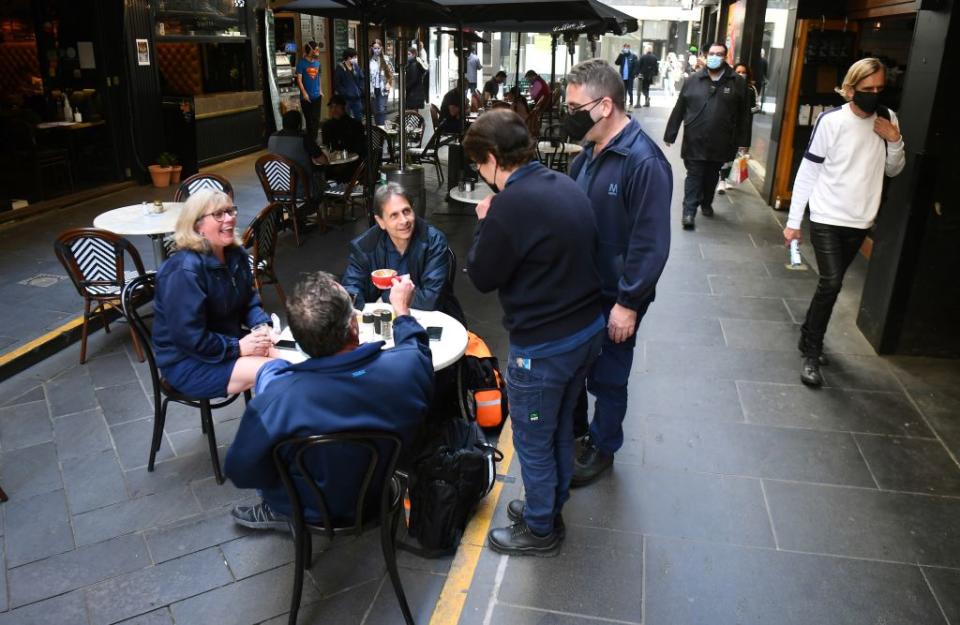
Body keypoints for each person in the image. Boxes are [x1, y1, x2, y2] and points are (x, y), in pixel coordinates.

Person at [464, 109, 604, 556]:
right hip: (584, 333)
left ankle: (541, 528)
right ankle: (548, 502)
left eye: (478, 165)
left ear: (491, 158)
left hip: (543, 349)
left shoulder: (509, 205)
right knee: (559, 424)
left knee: (533, 438)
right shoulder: (564, 183)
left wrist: (486, 218)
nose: (480, 175)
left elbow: (482, 275)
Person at [225, 272, 433, 530]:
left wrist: (283, 475)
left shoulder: (277, 401)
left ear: (299, 341)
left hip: (306, 506)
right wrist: (402, 310)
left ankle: (279, 511)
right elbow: (417, 346)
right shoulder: (405, 367)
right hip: (379, 493)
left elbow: (241, 471)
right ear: (353, 326)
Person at [563, 59, 672, 487]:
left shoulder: (644, 163)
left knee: (608, 377)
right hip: (583, 290)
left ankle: (602, 447)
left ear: (605, 105)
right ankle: (575, 432)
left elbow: (650, 244)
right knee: (575, 368)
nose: (567, 115)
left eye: (575, 108)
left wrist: (628, 303)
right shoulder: (589, 155)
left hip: (616, 295)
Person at [784, 57, 905, 387]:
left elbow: (894, 169)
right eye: (868, 89)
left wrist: (895, 140)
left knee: (829, 284)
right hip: (826, 215)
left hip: (861, 218)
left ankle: (808, 331)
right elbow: (808, 171)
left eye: (881, 88)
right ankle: (812, 351)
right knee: (833, 282)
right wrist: (794, 222)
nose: (875, 94)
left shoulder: (887, 118)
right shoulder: (831, 121)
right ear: (851, 89)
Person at [151, 189, 277, 398]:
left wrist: (262, 327)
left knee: (294, 356)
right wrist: (237, 348)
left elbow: (248, 301)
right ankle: (269, 427)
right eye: (219, 214)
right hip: (188, 362)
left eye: (230, 211)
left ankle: (289, 424)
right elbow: (190, 338)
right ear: (197, 225)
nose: (229, 218)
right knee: (278, 370)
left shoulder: (234, 254)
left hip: (226, 345)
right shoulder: (183, 271)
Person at [342, 183, 464, 321]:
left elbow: (432, 299)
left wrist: (387, 297)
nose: (404, 220)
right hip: (382, 323)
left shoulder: (433, 241)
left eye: (406, 211)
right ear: (380, 221)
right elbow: (351, 290)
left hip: (432, 321)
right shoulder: (365, 247)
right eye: (394, 215)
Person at [663, 42, 752, 230]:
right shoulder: (693, 80)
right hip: (694, 139)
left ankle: (706, 202)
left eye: (719, 54)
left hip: (721, 141)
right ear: (705, 55)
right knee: (694, 175)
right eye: (711, 53)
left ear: (725, 57)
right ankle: (689, 211)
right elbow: (680, 108)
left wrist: (744, 142)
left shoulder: (737, 82)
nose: (714, 57)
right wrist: (671, 133)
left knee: (711, 176)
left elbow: (744, 115)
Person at [718, 63, 760, 193]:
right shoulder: (728, 85)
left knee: (737, 155)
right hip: (727, 126)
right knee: (725, 153)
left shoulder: (751, 89)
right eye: (738, 71)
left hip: (743, 126)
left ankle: (729, 179)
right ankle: (722, 180)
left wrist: (748, 111)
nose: (741, 74)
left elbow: (756, 106)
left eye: (743, 72)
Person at [267, 109, 326, 196]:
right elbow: (323, 161)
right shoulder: (303, 138)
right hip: (302, 190)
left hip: (276, 189)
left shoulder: (272, 137)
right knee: (324, 180)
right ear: (299, 124)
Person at [321, 95, 365, 182]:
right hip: (334, 162)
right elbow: (327, 146)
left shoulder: (355, 124)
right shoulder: (327, 126)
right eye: (331, 107)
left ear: (343, 108)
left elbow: (360, 149)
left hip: (353, 162)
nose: (334, 110)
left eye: (337, 107)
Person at [295, 41, 324, 149]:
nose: (317, 51)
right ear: (310, 50)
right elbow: (299, 80)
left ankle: (314, 142)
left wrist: (320, 90)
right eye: (316, 49)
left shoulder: (317, 63)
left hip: (317, 96)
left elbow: (319, 77)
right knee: (309, 121)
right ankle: (310, 143)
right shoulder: (301, 63)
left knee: (316, 120)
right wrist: (304, 93)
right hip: (306, 97)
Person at [334, 48, 364, 120]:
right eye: (354, 57)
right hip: (346, 99)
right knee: (345, 118)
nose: (356, 59)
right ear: (349, 57)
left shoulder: (356, 67)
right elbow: (337, 83)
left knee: (359, 117)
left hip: (357, 97)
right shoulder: (340, 68)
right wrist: (345, 93)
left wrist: (360, 90)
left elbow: (362, 79)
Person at [369, 39, 394, 126]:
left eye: (378, 48)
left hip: (383, 88)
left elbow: (391, 73)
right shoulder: (370, 61)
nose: (376, 50)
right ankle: (378, 127)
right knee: (376, 110)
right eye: (375, 48)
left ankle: (382, 127)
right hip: (373, 89)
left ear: (381, 48)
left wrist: (389, 83)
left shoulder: (386, 59)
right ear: (372, 48)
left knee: (381, 109)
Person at [614, 43, 640, 108]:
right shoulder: (622, 56)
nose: (625, 49)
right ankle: (624, 104)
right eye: (624, 47)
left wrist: (633, 75)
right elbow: (616, 63)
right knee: (624, 91)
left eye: (627, 47)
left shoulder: (633, 56)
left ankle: (631, 104)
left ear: (629, 48)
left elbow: (636, 66)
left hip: (630, 77)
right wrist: (620, 54)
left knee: (630, 91)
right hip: (623, 76)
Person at [405, 45, 429, 111]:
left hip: (413, 95)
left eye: (409, 54)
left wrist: (405, 87)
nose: (407, 56)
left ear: (414, 55)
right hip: (416, 94)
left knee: (412, 115)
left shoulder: (413, 65)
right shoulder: (414, 64)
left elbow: (413, 80)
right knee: (414, 115)